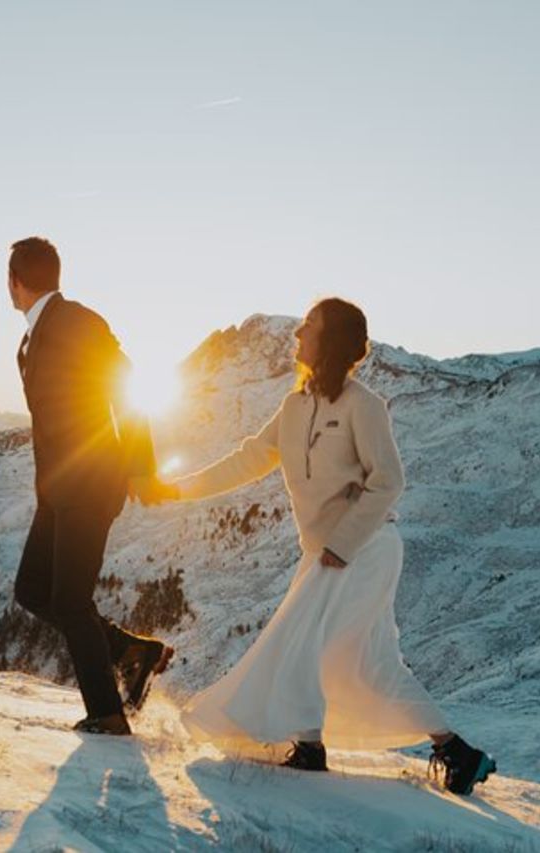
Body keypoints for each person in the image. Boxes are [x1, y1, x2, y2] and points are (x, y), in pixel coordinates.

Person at [150, 297, 496, 795]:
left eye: (308, 326)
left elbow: (389, 481)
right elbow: (248, 460)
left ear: (329, 341)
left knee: (300, 644)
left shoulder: (364, 405)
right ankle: (458, 753)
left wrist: (344, 542)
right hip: (325, 555)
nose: (297, 335)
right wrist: (176, 488)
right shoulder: (294, 407)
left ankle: (310, 748)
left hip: (366, 550)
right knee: (372, 664)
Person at [7, 236, 173, 736]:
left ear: (13, 283)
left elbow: (127, 385)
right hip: (57, 489)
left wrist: (140, 465)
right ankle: (131, 651)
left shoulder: (78, 321)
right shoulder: (30, 339)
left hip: (91, 481)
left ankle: (106, 712)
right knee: (33, 590)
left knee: (72, 599)